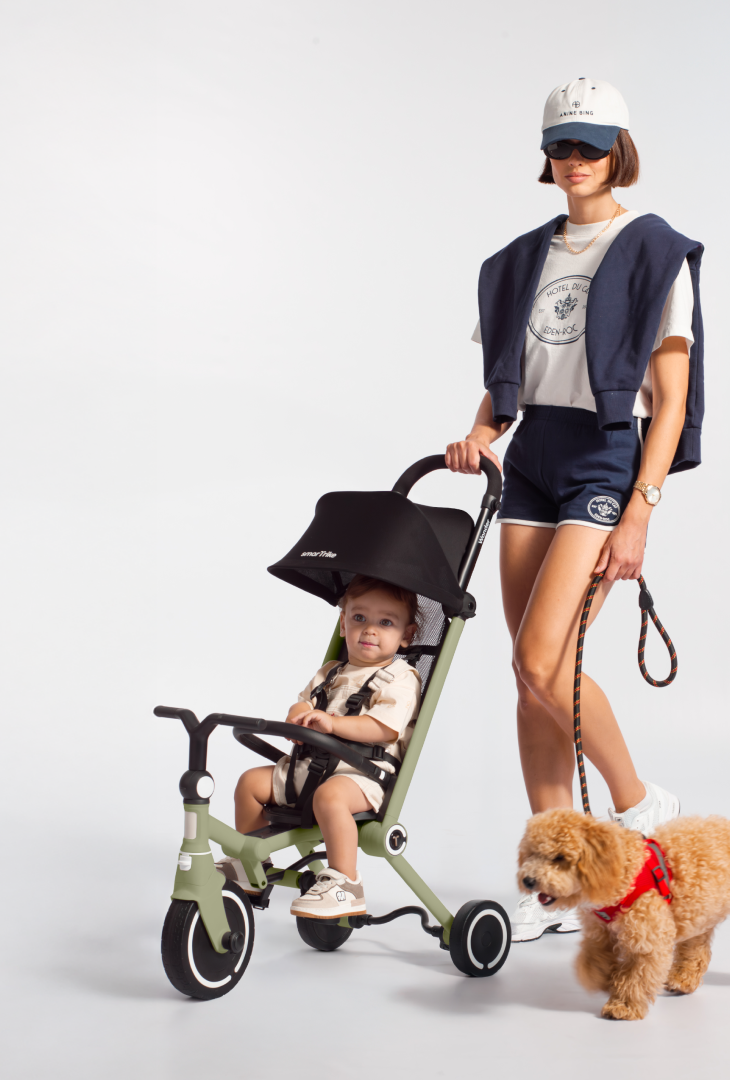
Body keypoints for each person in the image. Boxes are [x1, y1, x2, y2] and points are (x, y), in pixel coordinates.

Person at [446, 78, 705, 941]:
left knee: (543, 658)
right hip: (532, 459)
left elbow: (669, 401)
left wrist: (641, 511)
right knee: (529, 680)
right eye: (561, 145)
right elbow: (506, 388)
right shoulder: (521, 258)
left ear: (618, 149)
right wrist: (478, 435)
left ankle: (639, 803)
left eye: (591, 145)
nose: (575, 160)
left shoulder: (654, 250)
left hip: (604, 455)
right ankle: (551, 886)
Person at [217, 575, 421, 919]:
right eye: (359, 618)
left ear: (407, 636)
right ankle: (252, 863)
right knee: (249, 783)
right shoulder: (330, 671)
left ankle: (345, 883)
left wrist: (333, 724)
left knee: (330, 796)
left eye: (386, 622)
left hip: (361, 775)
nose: (370, 629)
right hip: (309, 767)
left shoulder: (401, 677)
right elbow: (303, 701)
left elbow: (383, 728)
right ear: (343, 624)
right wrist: (298, 716)